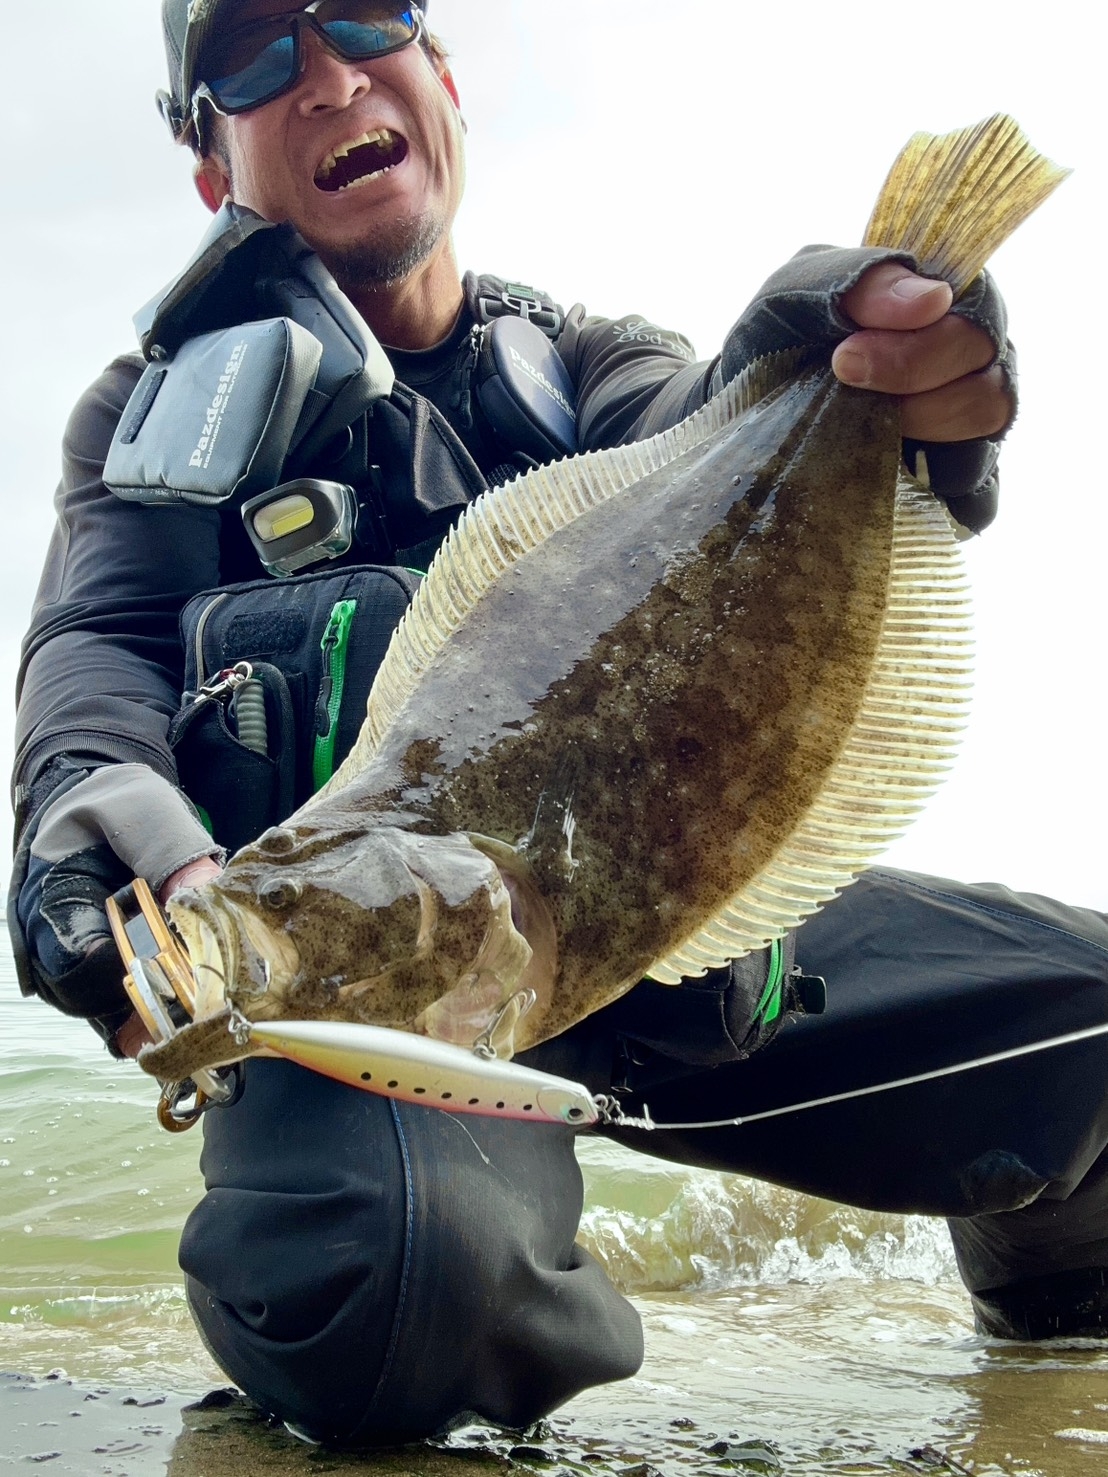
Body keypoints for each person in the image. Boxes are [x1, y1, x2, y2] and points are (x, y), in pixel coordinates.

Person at [8, 0, 1108, 1448]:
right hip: (394, 1028)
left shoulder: (586, 362)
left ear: (443, 77)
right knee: (392, 1287)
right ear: (210, 164)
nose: (328, 75)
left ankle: (1046, 1370)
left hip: (683, 943)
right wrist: (83, 800)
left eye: (360, 18)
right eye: (255, 60)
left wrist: (871, 391)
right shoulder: (154, 427)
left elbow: (698, 435)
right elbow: (97, 650)